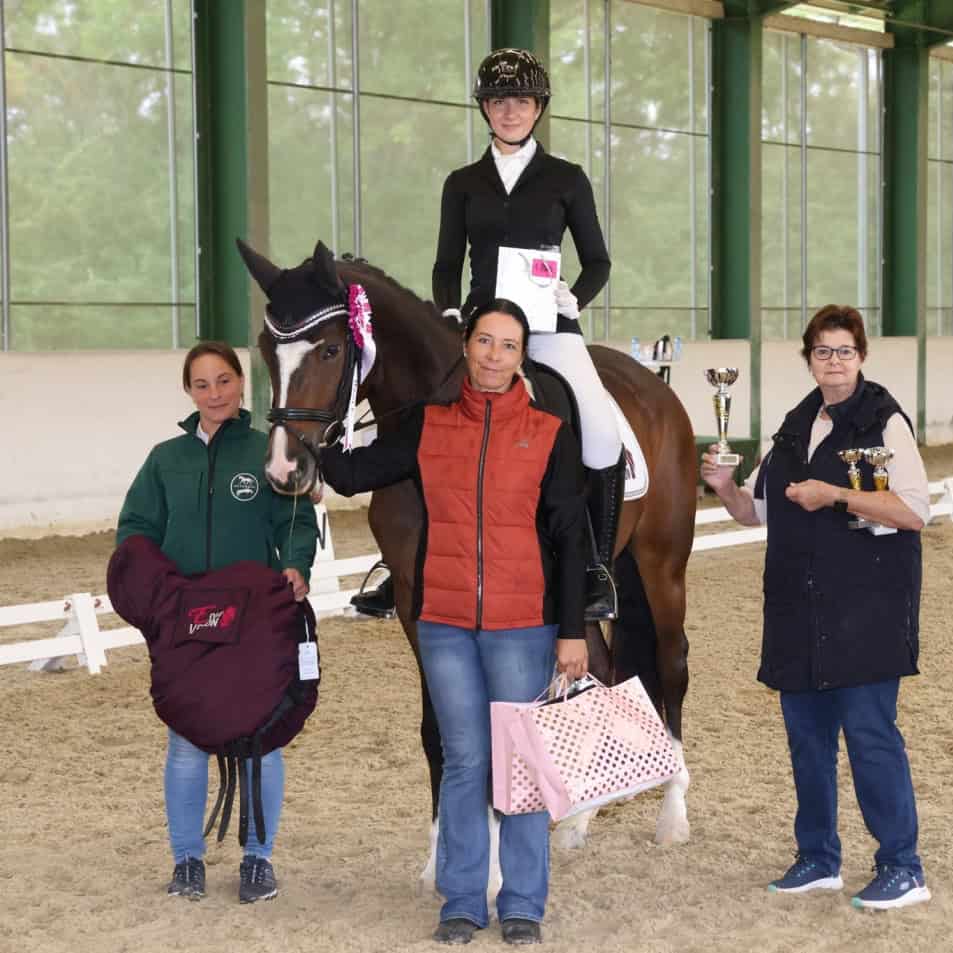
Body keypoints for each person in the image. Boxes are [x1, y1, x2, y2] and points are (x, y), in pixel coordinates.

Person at [320, 299, 588, 945]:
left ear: (522, 357)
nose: (495, 356)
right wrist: (311, 429)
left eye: (508, 346)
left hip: (523, 622)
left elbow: (570, 538)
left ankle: (522, 901)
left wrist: (573, 628)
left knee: (520, 764)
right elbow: (355, 474)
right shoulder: (427, 425)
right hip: (442, 620)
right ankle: (463, 899)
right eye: (485, 342)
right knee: (465, 761)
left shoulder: (549, 432)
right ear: (466, 346)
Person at [353, 48, 620, 623]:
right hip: (479, 326)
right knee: (424, 419)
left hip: (549, 325)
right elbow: (446, 264)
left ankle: (595, 566)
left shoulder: (566, 179)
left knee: (599, 430)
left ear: (538, 107)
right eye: (499, 101)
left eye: (521, 101)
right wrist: (449, 313)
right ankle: (398, 559)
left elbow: (598, 260)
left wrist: (575, 296)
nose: (510, 111)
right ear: (485, 108)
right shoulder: (463, 183)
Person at [701, 305, 932, 911]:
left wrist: (835, 495)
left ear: (862, 356)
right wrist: (726, 488)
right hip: (798, 610)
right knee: (807, 741)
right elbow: (758, 514)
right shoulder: (793, 425)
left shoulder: (885, 421)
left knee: (869, 737)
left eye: (844, 351)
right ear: (808, 359)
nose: (834, 362)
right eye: (823, 352)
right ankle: (818, 857)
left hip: (868, 607)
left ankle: (902, 865)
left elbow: (914, 510)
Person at [116, 341, 318, 904]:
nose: (214, 393)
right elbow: (135, 529)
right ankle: (187, 860)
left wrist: (297, 564)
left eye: (224, 381)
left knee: (262, 740)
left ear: (240, 385)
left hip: (254, 620)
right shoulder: (164, 459)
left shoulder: (268, 451)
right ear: (188, 391)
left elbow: (296, 520)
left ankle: (258, 859)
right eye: (202, 384)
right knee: (185, 743)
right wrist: (149, 591)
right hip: (186, 621)